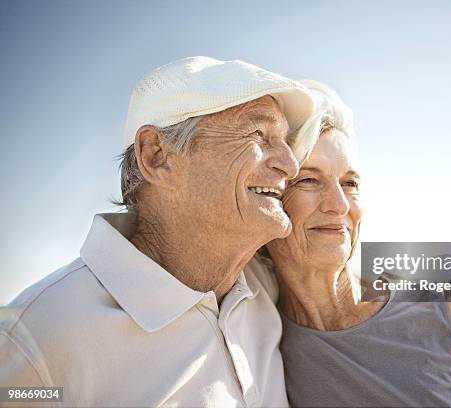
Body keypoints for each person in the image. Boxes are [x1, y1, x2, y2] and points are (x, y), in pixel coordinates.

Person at [0, 56, 316, 407]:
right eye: (259, 134)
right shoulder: (34, 340)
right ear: (157, 156)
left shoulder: (269, 287)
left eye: (286, 142)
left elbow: (372, 286)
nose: (290, 164)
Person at [263, 80, 451, 407]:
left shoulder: (445, 308)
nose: (339, 205)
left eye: (350, 183)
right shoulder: (257, 337)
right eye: (309, 180)